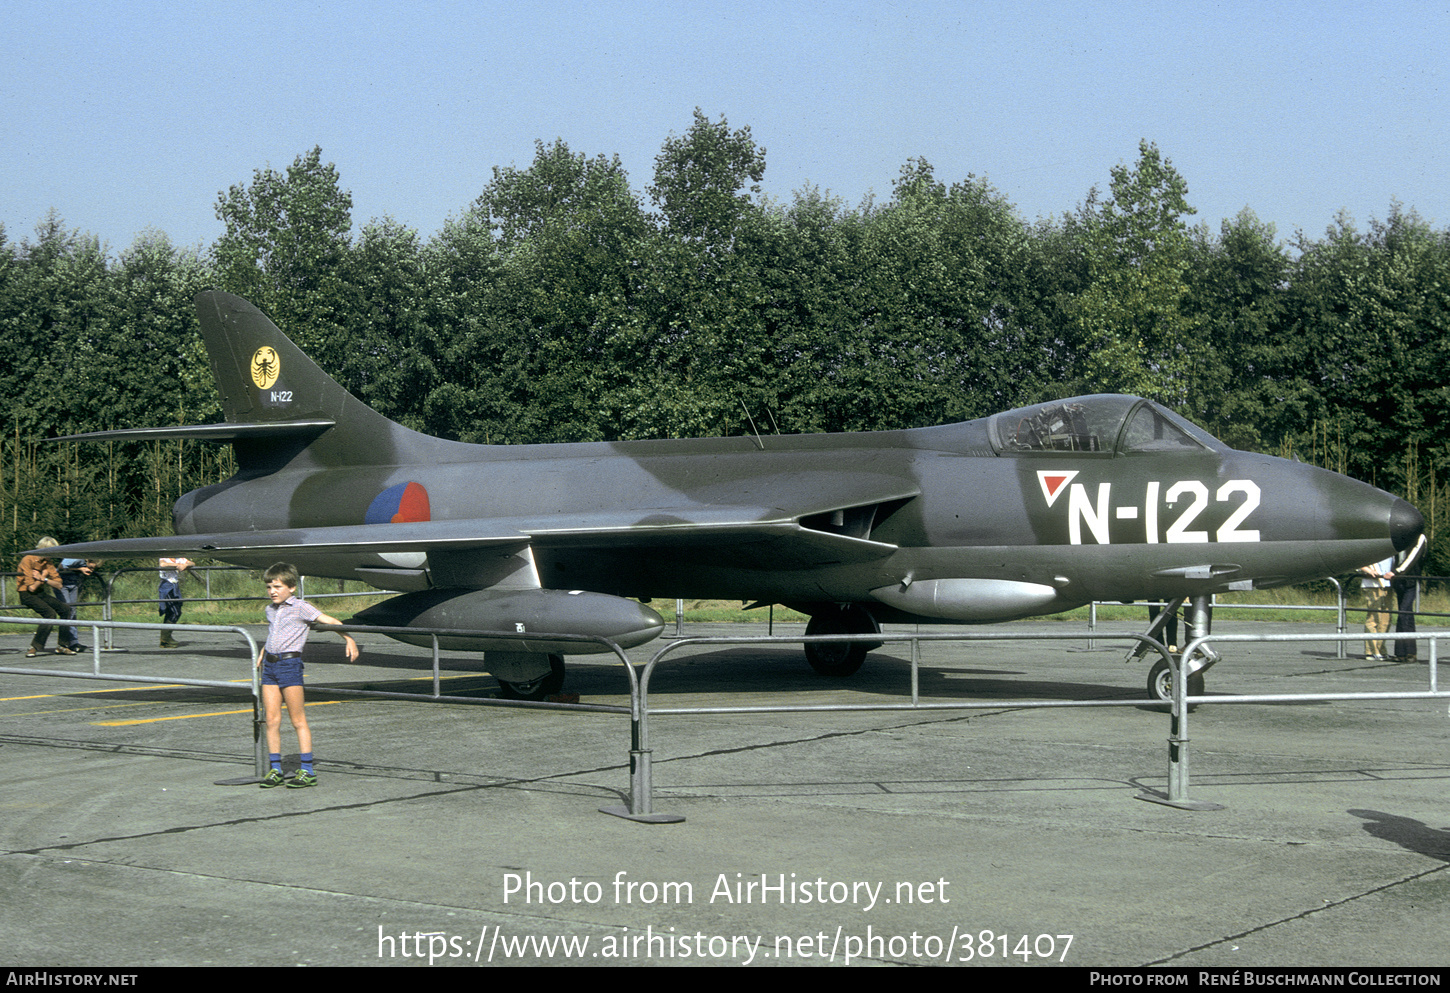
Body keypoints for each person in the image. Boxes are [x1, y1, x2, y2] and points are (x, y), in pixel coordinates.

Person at [257, 562, 359, 788]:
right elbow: (274, 634)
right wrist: (263, 652)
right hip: (270, 667)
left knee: (298, 720)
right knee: (271, 720)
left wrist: (348, 638)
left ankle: (307, 770)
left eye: (277, 586)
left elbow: (330, 621)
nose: (272, 591)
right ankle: (276, 769)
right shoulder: (270, 610)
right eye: (269, 587)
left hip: (290, 665)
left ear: (292, 587)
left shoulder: (301, 607)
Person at [18, 538, 74, 658]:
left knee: (66, 610)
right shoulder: (28, 559)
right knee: (50, 614)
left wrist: (44, 578)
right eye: (51, 551)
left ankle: (63, 645)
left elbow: (59, 584)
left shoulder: (48, 563)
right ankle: (35, 646)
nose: (53, 555)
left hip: (40, 593)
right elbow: (31, 588)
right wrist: (42, 576)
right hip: (26, 594)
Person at [1391, 532, 1428, 662]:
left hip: (1411, 580)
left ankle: (1407, 652)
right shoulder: (1399, 536)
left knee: (1404, 613)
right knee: (1406, 614)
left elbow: (1413, 557)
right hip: (1399, 581)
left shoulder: (1420, 537)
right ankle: (1404, 653)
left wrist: (1397, 571)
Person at [57, 558, 99, 653]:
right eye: (90, 567)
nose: (91, 570)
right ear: (88, 561)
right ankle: (63, 643)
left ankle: (73, 642)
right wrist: (80, 569)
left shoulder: (84, 562)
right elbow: (61, 567)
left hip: (73, 583)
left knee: (73, 612)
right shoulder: (77, 558)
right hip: (62, 583)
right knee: (67, 610)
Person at [1359, 555, 1394, 661]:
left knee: (1386, 620)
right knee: (1374, 618)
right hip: (1373, 583)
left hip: (1387, 584)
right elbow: (1357, 560)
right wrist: (1368, 570)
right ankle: (1371, 651)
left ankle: (1381, 649)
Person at [158, 557, 193, 648]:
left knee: (173, 611)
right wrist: (177, 565)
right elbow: (162, 564)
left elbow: (192, 563)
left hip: (175, 586)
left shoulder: (179, 558)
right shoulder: (164, 558)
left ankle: (165, 639)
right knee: (175, 612)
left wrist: (185, 564)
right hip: (167, 586)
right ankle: (165, 638)